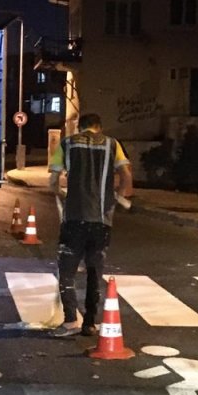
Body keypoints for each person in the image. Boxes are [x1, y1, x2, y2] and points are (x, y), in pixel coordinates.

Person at [48, 112, 132, 337]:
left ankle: (70, 321)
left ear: (80, 127)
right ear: (99, 127)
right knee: (94, 272)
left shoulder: (67, 143)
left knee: (67, 272)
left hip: (74, 219)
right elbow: (126, 174)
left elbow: (53, 181)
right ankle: (90, 323)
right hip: (101, 221)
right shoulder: (112, 144)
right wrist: (119, 196)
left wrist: (61, 193)